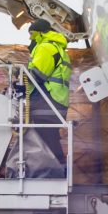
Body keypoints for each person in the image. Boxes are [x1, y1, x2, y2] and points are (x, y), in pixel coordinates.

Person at [26, 18, 72, 167]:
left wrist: (19, 76)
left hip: (47, 100)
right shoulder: (57, 48)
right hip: (55, 100)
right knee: (49, 136)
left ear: (40, 32)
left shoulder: (45, 47)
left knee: (45, 137)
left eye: (31, 33)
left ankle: (56, 168)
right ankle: (59, 167)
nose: (30, 37)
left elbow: (38, 75)